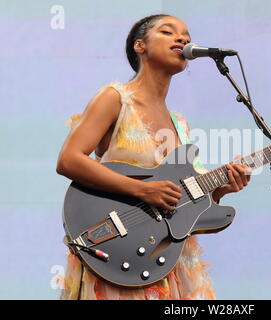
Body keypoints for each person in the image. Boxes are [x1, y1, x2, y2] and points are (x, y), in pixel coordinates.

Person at [56, 14, 251, 300]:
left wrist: (222, 188)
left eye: (186, 34)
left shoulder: (179, 122)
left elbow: (186, 203)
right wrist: (143, 189)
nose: (182, 39)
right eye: (168, 32)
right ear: (140, 46)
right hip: (120, 251)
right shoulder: (115, 98)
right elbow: (69, 160)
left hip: (171, 261)